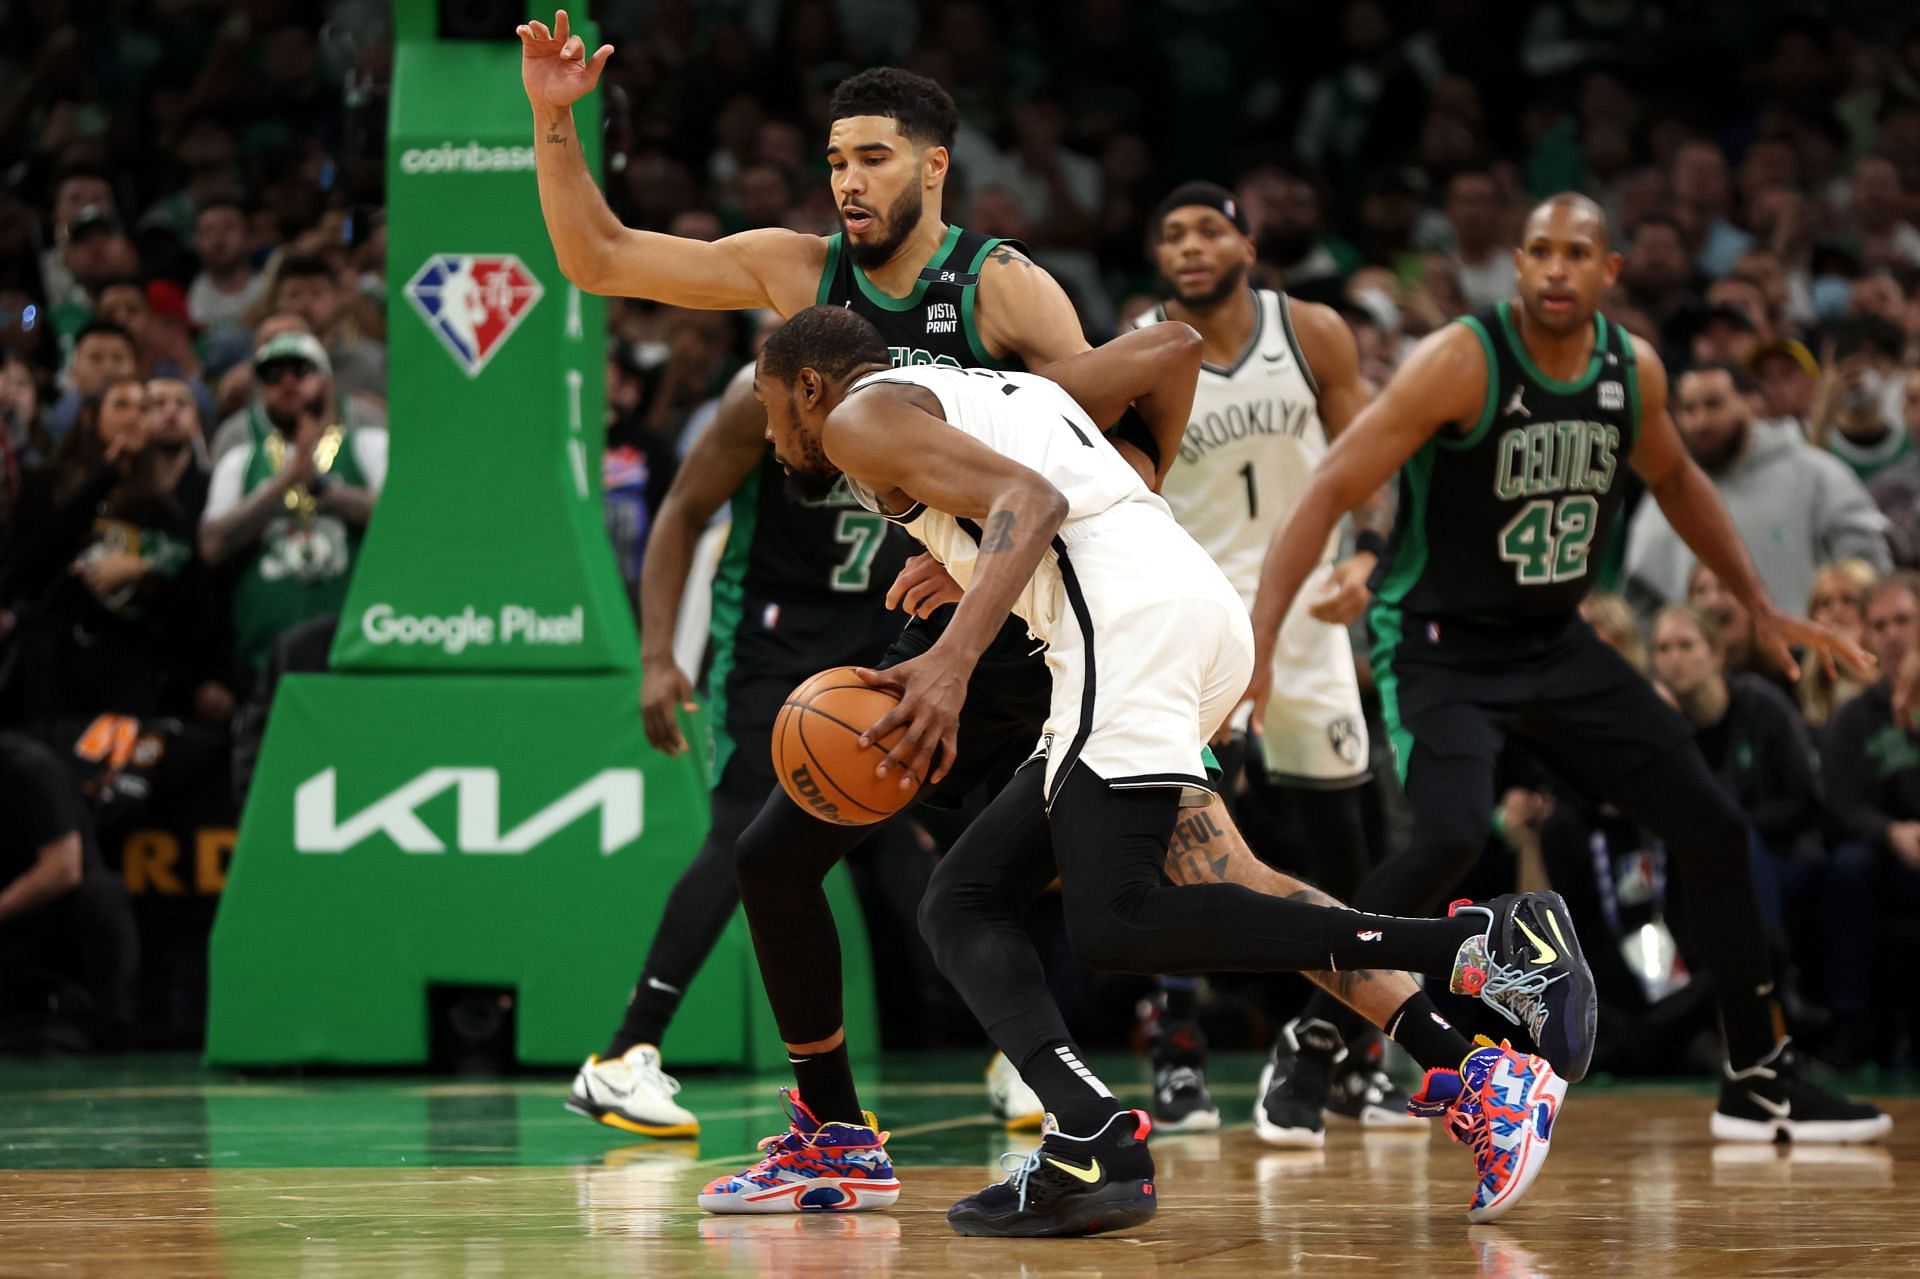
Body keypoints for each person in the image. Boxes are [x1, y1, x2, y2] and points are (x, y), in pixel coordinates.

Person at [516, 20, 1434, 1150]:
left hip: (1043, 634)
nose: (849, 181)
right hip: (913, 643)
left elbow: (1123, 419)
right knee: (795, 859)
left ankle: (1452, 1044)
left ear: (935, 165)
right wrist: (554, 115)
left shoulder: (1001, 289)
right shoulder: (801, 271)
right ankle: (859, 1123)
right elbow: (598, 259)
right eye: (838, 159)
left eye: (875, 158)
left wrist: (980, 555)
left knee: (1201, 871)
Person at [753, 304, 1588, 1233]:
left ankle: (1487, 950)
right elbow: (1169, 355)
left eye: (767, 403)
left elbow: (1030, 505)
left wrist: (949, 658)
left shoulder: (857, 420)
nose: (769, 430)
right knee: (970, 899)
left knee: (1115, 919)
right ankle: (1462, 1074)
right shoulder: (992, 389)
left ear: (810, 387)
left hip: (1125, 630)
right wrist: (991, 558)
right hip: (1184, 607)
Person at [1249, 191, 1891, 1145]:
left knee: (1711, 823)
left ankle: (1757, 1072)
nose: (1556, 269)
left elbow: (1677, 479)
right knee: (1451, 837)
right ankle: (1315, 1040)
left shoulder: (1630, 371)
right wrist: (1261, 642)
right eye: (1539, 252)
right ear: (1517, 265)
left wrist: (1759, 605)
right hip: (1441, 643)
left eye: (1576, 254)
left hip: (1556, 641)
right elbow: (1334, 483)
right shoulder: (1463, 358)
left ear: (1608, 273)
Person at [1134, 181, 1415, 1142]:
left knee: (1353, 851)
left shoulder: (1316, 335)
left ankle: (1348, 1049)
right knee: (1183, 851)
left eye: (1210, 228)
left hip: (1304, 624)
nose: (1192, 246)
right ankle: (1175, 1053)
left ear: (1249, 241)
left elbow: (1374, 464)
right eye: (1172, 234)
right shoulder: (1133, 348)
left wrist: (1367, 559)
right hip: (1191, 624)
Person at [1622, 360, 1890, 619]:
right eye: (1689, 409)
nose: (1701, 422)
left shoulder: (1817, 475)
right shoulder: (1668, 495)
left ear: (1752, 403)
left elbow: (1869, 572)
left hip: (1808, 655)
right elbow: (1641, 601)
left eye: (1713, 404)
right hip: (1705, 660)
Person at [198, 331, 386, 679]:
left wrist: (321, 487)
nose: (287, 382)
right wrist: (284, 482)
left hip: (358, 650)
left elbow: (396, 522)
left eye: (301, 371)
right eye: (272, 375)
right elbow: (212, 546)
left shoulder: (369, 445)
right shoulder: (240, 460)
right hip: (260, 659)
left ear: (328, 383)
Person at [1822, 572, 1920, 1067]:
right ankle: (1853, 1025)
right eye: (1879, 625)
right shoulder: (1855, 718)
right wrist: (1890, 832)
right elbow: (1836, 803)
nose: (1892, 635)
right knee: (1848, 866)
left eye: (1903, 620)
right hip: (1890, 862)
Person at [0, 730, 138, 1051]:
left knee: (103, 894)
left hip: (50, 920)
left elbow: (62, 868)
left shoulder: (29, 768)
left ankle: (111, 1030)